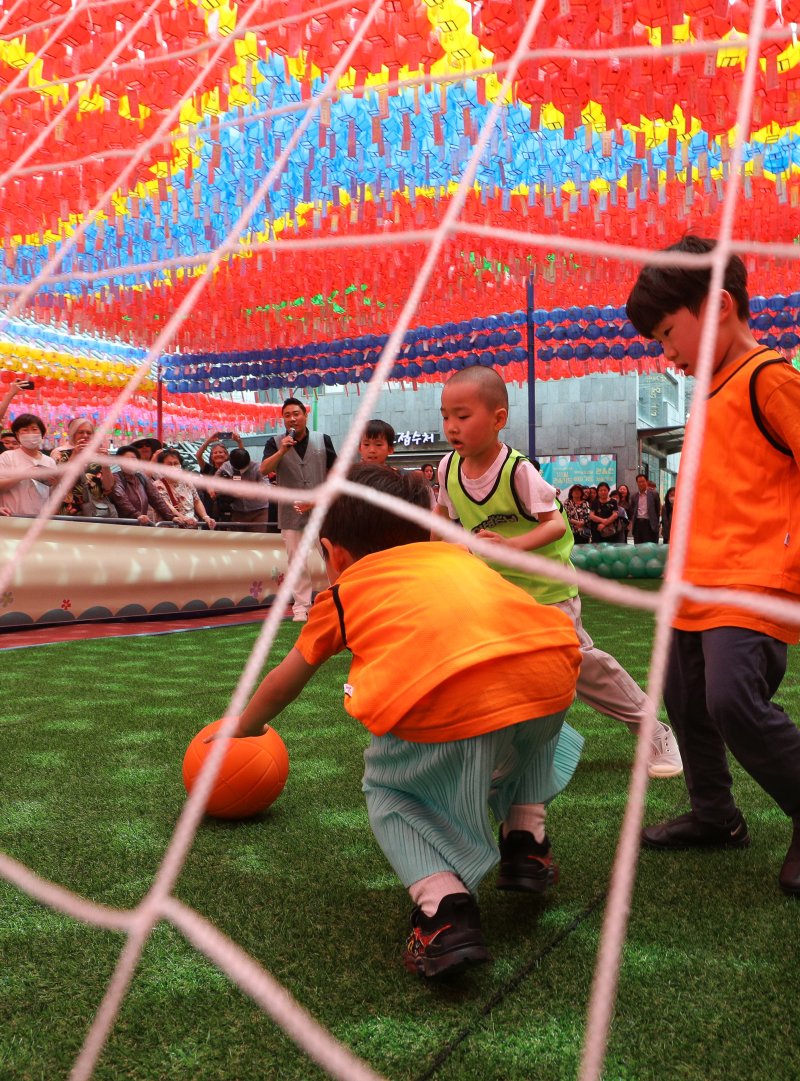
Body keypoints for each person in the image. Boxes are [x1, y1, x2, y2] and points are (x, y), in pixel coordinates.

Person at [207, 464, 582, 977]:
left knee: (392, 796)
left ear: (334, 553)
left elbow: (286, 680)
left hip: (446, 697)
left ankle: (444, 912)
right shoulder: (457, 555)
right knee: (535, 741)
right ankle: (526, 842)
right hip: (551, 670)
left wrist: (244, 727)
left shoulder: (342, 592)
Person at [626, 234, 800, 896]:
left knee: (731, 700)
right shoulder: (713, 393)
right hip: (694, 584)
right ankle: (715, 814)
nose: (666, 353)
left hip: (750, 582)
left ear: (719, 306)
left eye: (669, 333)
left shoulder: (768, 378)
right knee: (687, 700)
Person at [436, 366, 682, 795]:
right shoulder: (447, 470)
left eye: (463, 415)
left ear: (498, 419)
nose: (452, 427)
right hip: (495, 594)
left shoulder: (517, 471)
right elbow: (441, 522)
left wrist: (511, 548)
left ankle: (653, 729)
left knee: (579, 665)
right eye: (446, 416)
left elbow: (556, 525)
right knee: (500, 671)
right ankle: (516, 750)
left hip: (548, 591)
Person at [260, 398, 337, 622]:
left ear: (305, 414)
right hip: (290, 510)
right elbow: (264, 469)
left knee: (331, 556)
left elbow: (335, 471)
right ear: (283, 419)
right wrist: (282, 451)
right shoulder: (275, 442)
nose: (292, 418)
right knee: (296, 561)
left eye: (296, 413)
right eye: (287, 415)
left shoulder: (323, 440)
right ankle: (301, 607)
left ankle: (339, 599)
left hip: (322, 510)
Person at [50, 417, 116, 518]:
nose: (85, 435)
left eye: (89, 433)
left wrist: (106, 465)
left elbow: (108, 487)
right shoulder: (59, 453)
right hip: (69, 511)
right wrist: (74, 455)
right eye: (80, 432)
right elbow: (57, 483)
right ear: (73, 434)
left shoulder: (98, 454)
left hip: (97, 511)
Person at [110, 446, 190, 526]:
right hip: (122, 527)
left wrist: (172, 517)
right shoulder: (116, 478)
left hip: (141, 525)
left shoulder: (141, 477)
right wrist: (137, 515)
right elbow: (122, 500)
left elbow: (156, 499)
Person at [0, 413, 59, 515]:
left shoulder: (49, 461)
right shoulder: (7, 457)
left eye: (34, 429)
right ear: (17, 435)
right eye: (25, 430)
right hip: (12, 517)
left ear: (42, 434)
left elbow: (54, 493)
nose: (30, 433)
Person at [152, 447, 215, 528]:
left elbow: (197, 501)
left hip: (191, 527)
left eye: (176, 463)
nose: (173, 467)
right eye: (169, 464)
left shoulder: (187, 482)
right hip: (169, 529)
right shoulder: (157, 485)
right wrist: (183, 518)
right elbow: (167, 505)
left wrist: (205, 516)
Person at [216, 448, 271, 529]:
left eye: (243, 469)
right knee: (237, 540)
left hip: (258, 511)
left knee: (258, 539)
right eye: (236, 469)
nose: (240, 471)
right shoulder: (226, 466)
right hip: (236, 511)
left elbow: (266, 488)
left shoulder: (259, 467)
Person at [632, 472, 661, 544]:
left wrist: (656, 522)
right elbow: (633, 510)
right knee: (638, 546)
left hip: (650, 524)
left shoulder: (654, 494)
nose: (641, 484)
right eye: (639, 482)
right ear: (637, 483)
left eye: (643, 481)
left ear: (647, 482)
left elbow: (657, 509)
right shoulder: (634, 496)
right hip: (638, 524)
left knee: (650, 546)